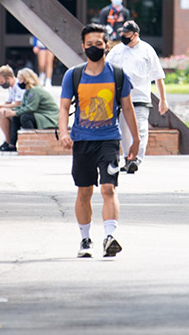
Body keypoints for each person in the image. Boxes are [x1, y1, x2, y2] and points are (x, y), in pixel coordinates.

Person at [59, 23, 139, 258]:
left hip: (109, 140)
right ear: (83, 46)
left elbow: (127, 107)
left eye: (99, 44)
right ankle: (85, 240)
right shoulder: (73, 75)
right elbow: (64, 108)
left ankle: (109, 236)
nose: (94, 47)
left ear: (107, 45)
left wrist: (136, 139)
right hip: (82, 141)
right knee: (84, 191)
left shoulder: (117, 74)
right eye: (90, 44)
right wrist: (64, 132)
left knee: (108, 188)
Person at [106, 20, 168, 173]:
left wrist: (163, 100)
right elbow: (105, 70)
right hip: (121, 98)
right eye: (122, 33)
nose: (123, 36)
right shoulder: (117, 50)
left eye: (126, 34)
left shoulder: (147, 50)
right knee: (124, 130)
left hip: (140, 97)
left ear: (135, 35)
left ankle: (136, 159)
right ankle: (128, 158)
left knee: (140, 129)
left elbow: (158, 77)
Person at [4, 68, 60, 149]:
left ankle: (32, 142)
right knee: (16, 118)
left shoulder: (35, 91)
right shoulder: (28, 91)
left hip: (48, 117)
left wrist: (15, 112)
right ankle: (12, 145)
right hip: (40, 114)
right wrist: (13, 111)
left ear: (26, 80)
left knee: (25, 117)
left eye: (20, 80)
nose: (18, 83)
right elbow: (23, 106)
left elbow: (31, 108)